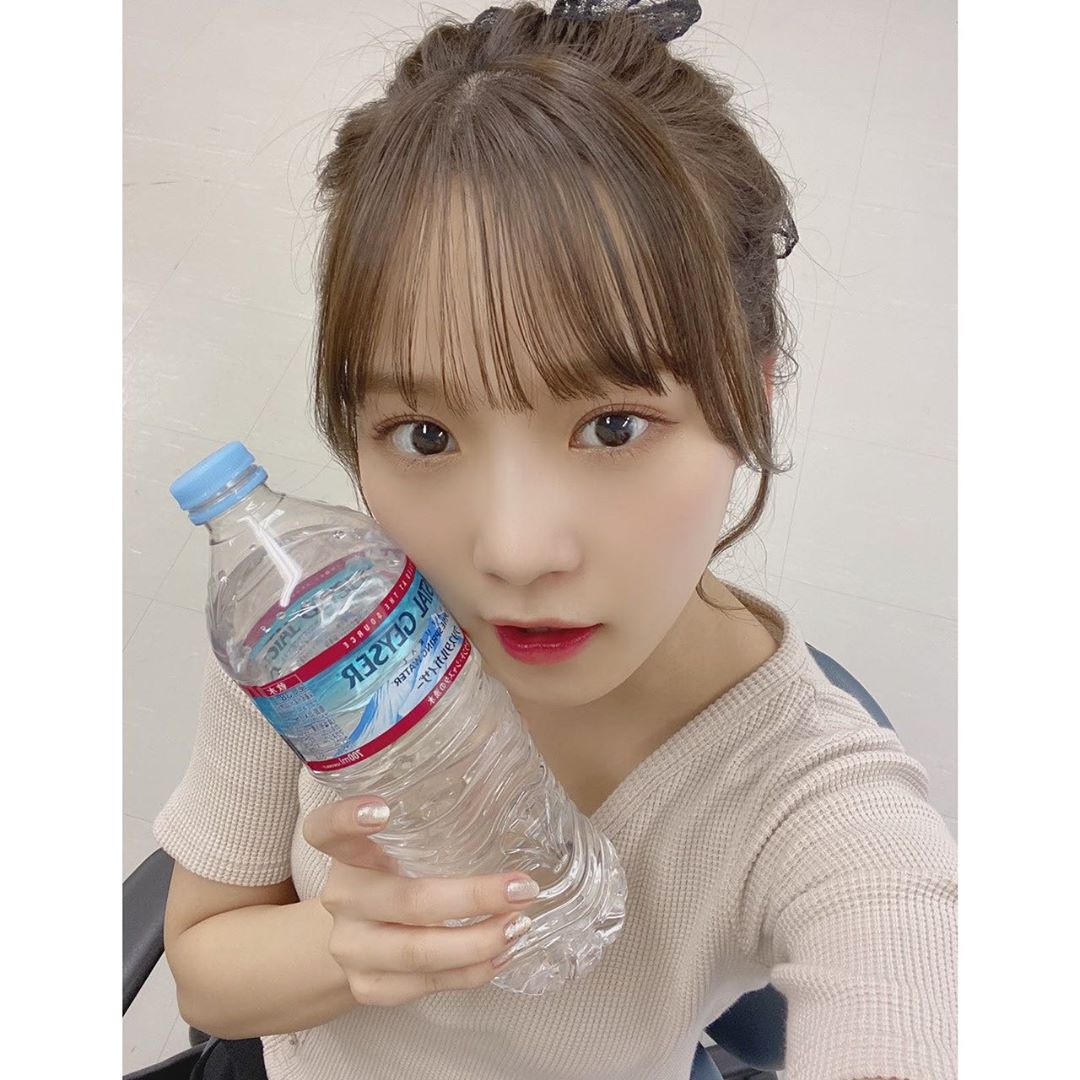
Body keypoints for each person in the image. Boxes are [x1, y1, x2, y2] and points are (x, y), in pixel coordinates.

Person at [152, 3, 958, 1079]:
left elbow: (905, 953)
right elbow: (205, 971)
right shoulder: (323, 651)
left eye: (614, 426)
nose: (516, 551)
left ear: (754, 396)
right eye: (424, 434)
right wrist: (344, 945)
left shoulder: (807, 792)